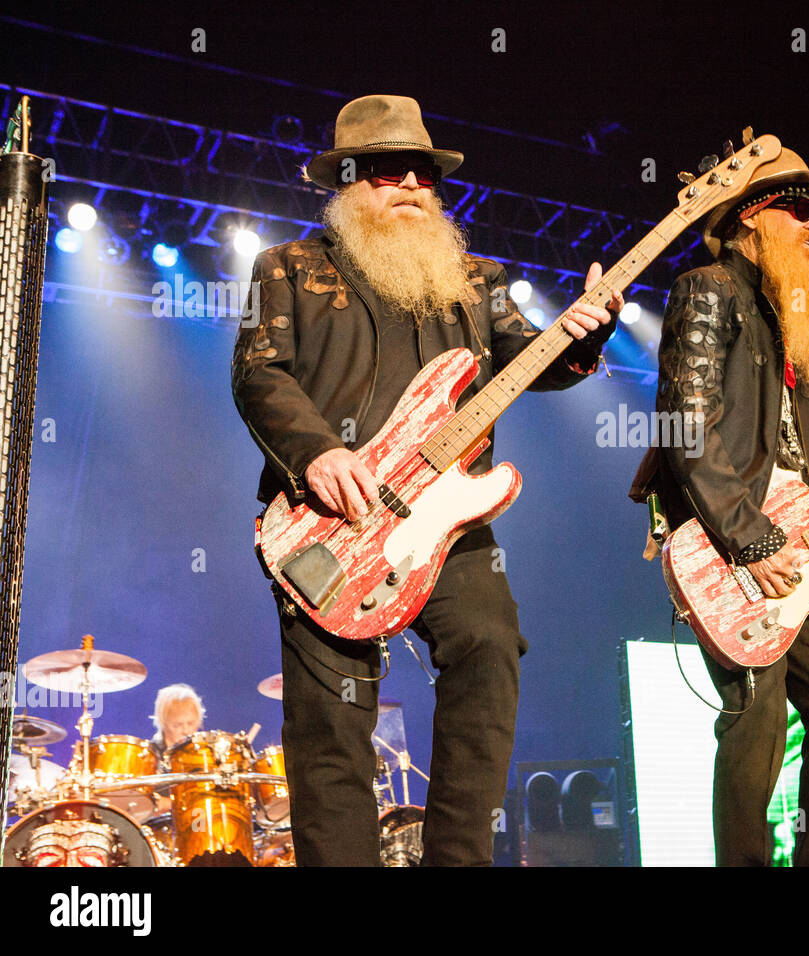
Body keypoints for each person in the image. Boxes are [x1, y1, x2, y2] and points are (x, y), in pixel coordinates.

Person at [232, 95, 619, 866]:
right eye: (384, 172)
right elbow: (259, 375)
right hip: (329, 518)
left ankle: (458, 857)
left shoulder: (476, 279)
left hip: (449, 517)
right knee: (331, 720)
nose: (409, 184)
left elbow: (530, 362)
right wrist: (316, 454)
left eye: (422, 172)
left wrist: (584, 337)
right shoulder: (287, 269)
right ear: (346, 183)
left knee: (489, 644)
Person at [630, 146, 809, 866]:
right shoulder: (709, 289)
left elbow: (787, 456)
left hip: (791, 549)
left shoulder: (791, 325)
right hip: (732, 545)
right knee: (755, 718)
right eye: (796, 206)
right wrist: (752, 542)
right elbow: (685, 430)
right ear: (750, 221)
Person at [148, 683, 205, 758]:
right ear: (163, 723)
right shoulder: (151, 755)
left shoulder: (204, 752)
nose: (186, 731)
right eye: (177, 725)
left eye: (191, 723)